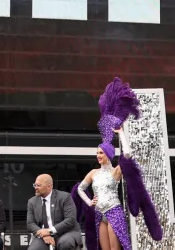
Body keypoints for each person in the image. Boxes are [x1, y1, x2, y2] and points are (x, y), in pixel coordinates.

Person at [72, 78, 163, 250]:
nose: (98, 156)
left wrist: (121, 133)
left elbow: (127, 155)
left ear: (108, 154)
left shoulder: (116, 171)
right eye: (97, 153)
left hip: (114, 211)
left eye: (101, 153)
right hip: (99, 213)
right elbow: (80, 189)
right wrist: (89, 202)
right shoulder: (93, 173)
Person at [27, 174, 79, 250]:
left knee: (65, 243)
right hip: (43, 236)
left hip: (65, 232)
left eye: (38, 185)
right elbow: (30, 224)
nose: (36, 188)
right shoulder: (32, 201)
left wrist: (49, 231)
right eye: (35, 185)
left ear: (49, 186)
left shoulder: (65, 197)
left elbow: (71, 220)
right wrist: (43, 234)